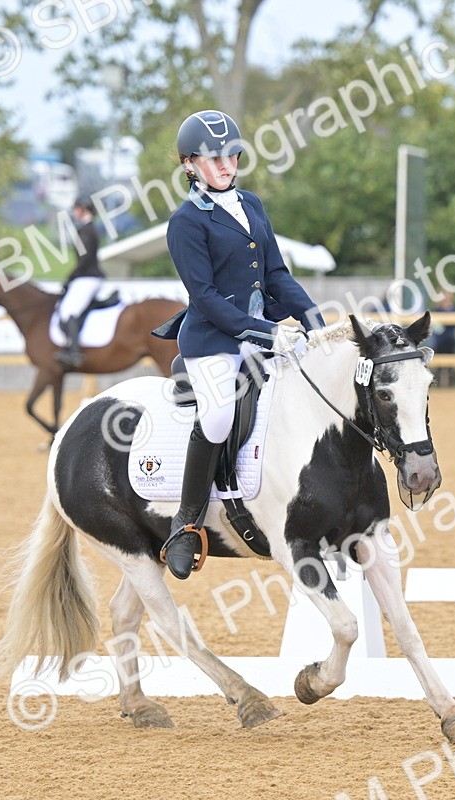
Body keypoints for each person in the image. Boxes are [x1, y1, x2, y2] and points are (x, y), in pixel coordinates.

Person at [154, 109, 322, 580]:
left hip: (261, 334)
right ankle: (186, 525)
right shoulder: (185, 222)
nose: (226, 165)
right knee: (218, 417)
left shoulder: (251, 204)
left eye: (233, 155)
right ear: (189, 164)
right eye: (214, 158)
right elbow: (204, 298)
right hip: (211, 343)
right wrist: (269, 332)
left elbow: (276, 275)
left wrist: (315, 322)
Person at [54, 196, 103, 368]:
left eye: (76, 209)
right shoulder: (87, 229)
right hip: (86, 277)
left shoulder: (87, 231)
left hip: (88, 277)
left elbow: (84, 260)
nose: (74, 212)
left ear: (83, 209)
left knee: (68, 311)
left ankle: (74, 352)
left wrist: (69, 279)